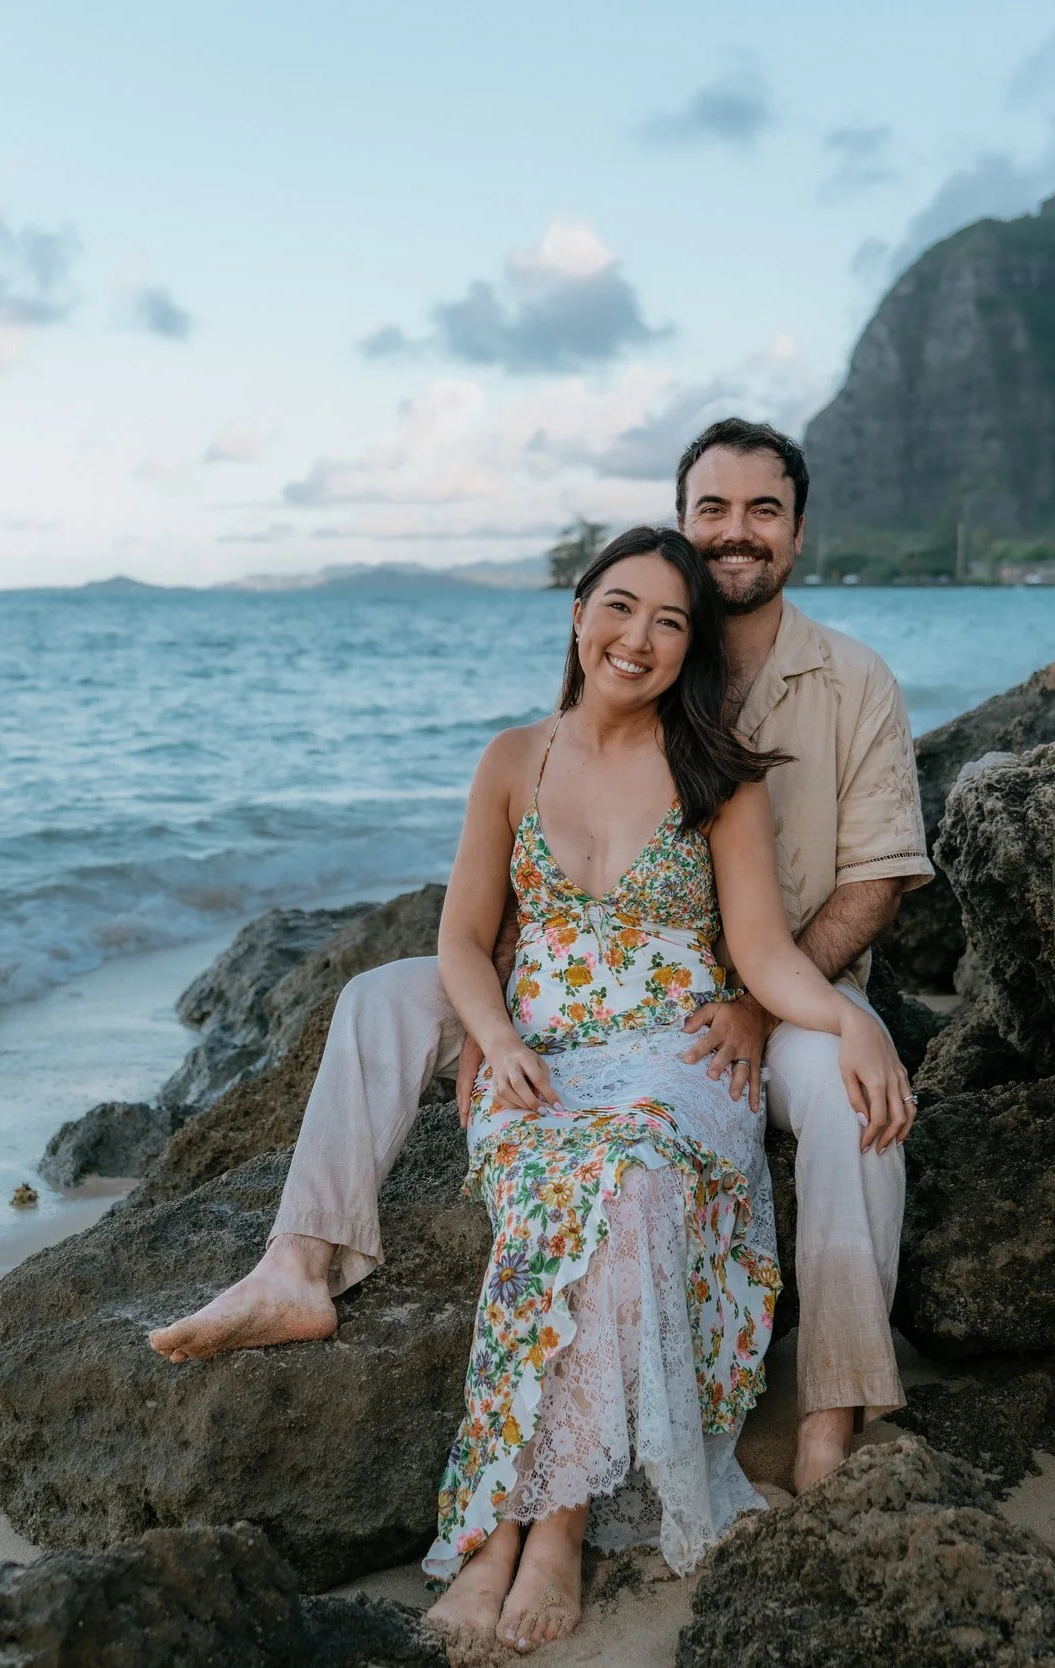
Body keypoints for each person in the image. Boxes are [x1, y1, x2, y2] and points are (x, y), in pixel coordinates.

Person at [149, 416, 933, 1495]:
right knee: (380, 1001)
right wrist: (498, 1021)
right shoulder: (632, 671)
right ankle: (296, 1264)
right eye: (712, 508)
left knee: (858, 1103)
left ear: (797, 536)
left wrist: (764, 1008)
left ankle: (832, 1413)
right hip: (583, 979)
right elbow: (547, 867)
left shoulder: (852, 683)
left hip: (774, 989)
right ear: (679, 523)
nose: (735, 532)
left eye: (764, 511)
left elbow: (877, 879)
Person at [410, 526, 911, 1652]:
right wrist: (491, 1041)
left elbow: (767, 954)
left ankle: (539, 1534)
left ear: (690, 651)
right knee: (568, 1193)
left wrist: (849, 1018)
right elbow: (458, 940)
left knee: (626, 1180)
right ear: (578, 611)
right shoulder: (509, 760)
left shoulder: (718, 779)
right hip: (539, 1056)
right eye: (619, 607)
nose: (638, 638)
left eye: (670, 622)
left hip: (681, 1064)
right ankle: (506, 1534)